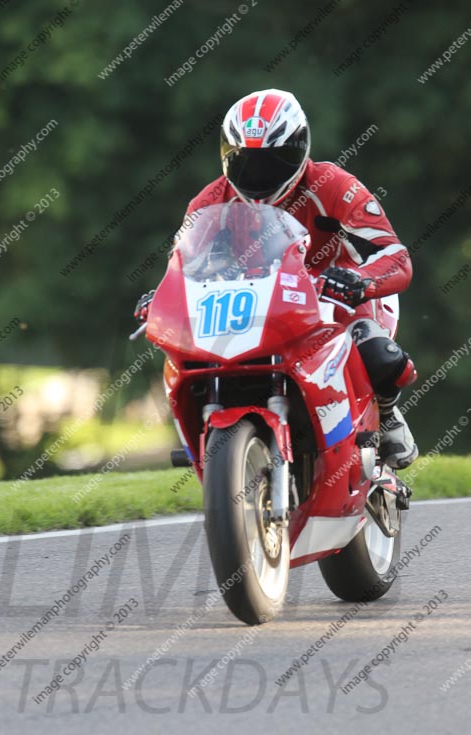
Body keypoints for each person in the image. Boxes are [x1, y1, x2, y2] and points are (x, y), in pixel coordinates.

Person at [135, 88, 418, 469]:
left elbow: (394, 255)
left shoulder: (333, 184)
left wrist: (361, 281)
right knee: (198, 358)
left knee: (376, 353)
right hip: (260, 302)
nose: (258, 176)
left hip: (339, 295)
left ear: (300, 148)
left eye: (272, 161)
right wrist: (163, 296)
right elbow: (182, 264)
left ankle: (386, 414)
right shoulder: (209, 202)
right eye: (246, 162)